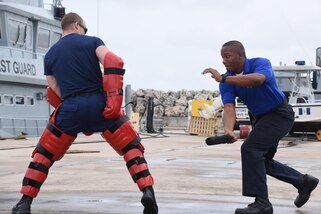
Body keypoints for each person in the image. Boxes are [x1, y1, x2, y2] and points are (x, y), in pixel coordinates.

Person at [12, 12, 158, 214]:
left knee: (43, 155)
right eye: (84, 29)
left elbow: (54, 88)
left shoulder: (50, 55)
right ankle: (147, 192)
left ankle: (24, 202)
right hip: (102, 106)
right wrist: (114, 99)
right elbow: (114, 61)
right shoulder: (92, 42)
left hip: (71, 108)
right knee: (132, 148)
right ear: (77, 26)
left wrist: (75, 108)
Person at [202, 40, 319, 214]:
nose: (224, 61)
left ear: (241, 55)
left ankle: (262, 203)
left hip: (279, 114)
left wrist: (224, 77)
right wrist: (228, 130)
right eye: (222, 58)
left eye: (227, 56)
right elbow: (228, 107)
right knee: (262, 162)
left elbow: (257, 80)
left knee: (250, 149)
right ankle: (303, 182)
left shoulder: (260, 63)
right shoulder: (226, 82)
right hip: (260, 119)